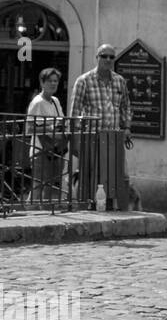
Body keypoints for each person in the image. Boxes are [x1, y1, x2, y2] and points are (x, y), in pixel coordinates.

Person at [70, 44, 131, 210]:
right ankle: (87, 208)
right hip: (91, 137)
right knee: (90, 176)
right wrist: (75, 139)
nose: (108, 60)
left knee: (115, 176)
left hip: (114, 138)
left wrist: (127, 128)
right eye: (104, 56)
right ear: (97, 57)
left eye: (112, 57)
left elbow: (126, 107)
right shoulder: (83, 81)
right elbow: (75, 112)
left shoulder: (119, 81)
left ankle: (110, 208)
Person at [28, 67, 66, 206]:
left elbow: (61, 120)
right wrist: (50, 128)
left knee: (51, 185)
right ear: (42, 83)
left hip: (55, 149)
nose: (53, 84)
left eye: (56, 81)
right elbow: (29, 128)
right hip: (40, 150)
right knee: (38, 184)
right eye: (50, 81)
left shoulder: (55, 101)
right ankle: (31, 212)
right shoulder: (37, 102)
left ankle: (45, 211)